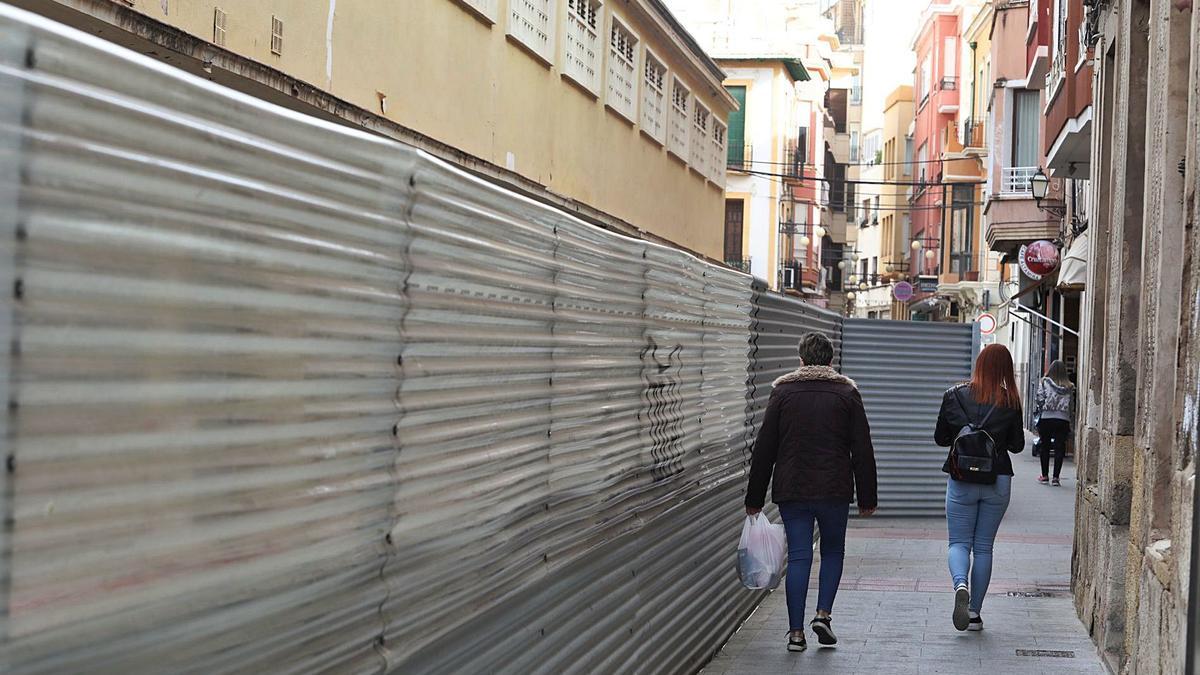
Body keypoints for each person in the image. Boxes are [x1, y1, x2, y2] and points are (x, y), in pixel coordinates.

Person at [744, 332, 878, 653]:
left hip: (793, 488)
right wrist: (867, 497)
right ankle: (822, 615)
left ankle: (795, 634)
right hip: (834, 489)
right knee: (832, 551)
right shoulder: (847, 393)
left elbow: (765, 448)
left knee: (800, 556)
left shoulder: (783, 392)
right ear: (831, 361)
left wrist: (754, 498)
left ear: (801, 360)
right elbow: (862, 448)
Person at [934, 344, 1025, 633]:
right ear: (1006, 370)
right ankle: (974, 613)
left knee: (958, 543)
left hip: (961, 478)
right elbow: (1017, 445)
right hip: (997, 479)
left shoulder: (953, 395)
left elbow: (940, 438)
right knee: (984, 547)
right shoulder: (1009, 400)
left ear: (979, 364)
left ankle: (960, 584)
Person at [1034, 360, 1075, 486]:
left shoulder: (1044, 382)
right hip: (1062, 420)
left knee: (1044, 446)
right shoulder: (1069, 387)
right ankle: (1056, 478)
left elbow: (1039, 398)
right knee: (1059, 448)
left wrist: (1042, 408)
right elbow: (1071, 404)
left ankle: (1045, 475)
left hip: (1046, 418)